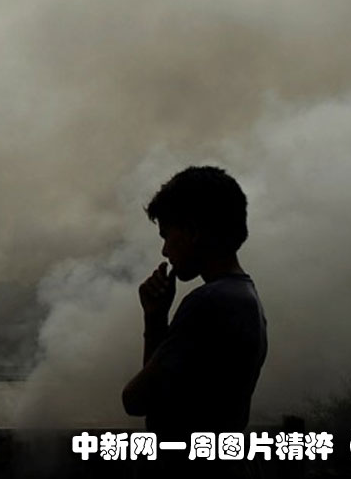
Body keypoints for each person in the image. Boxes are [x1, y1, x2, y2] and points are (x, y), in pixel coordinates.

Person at [122, 166, 267, 475]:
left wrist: (154, 322)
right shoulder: (244, 296)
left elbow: (136, 400)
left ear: (192, 231)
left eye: (167, 235)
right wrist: (156, 316)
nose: (165, 250)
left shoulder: (208, 302)